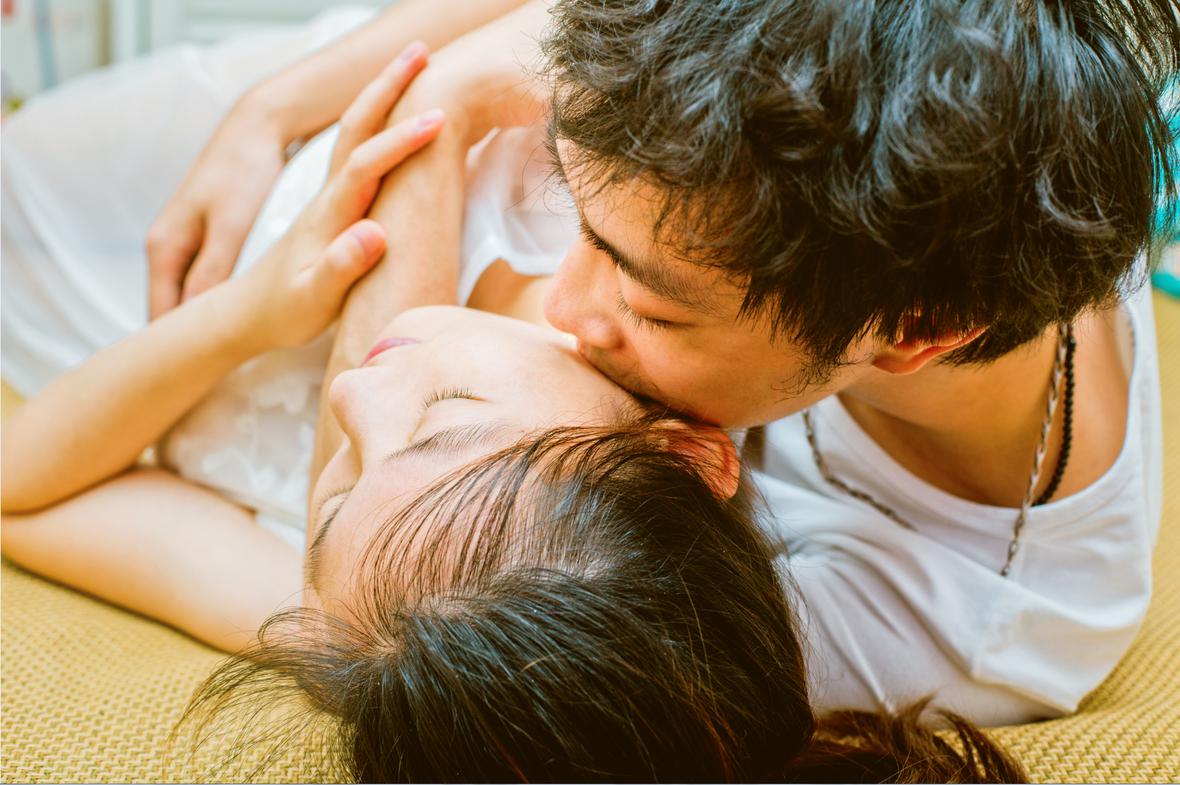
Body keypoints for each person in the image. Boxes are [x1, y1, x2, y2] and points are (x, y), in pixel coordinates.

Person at [0, 47, 1025, 783]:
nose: (352, 393)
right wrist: (297, 104)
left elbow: (14, 491)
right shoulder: (685, 247)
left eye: (333, 499)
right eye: (447, 417)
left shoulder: (378, 620)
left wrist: (245, 316)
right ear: (680, 449)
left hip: (64, 288)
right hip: (229, 120)